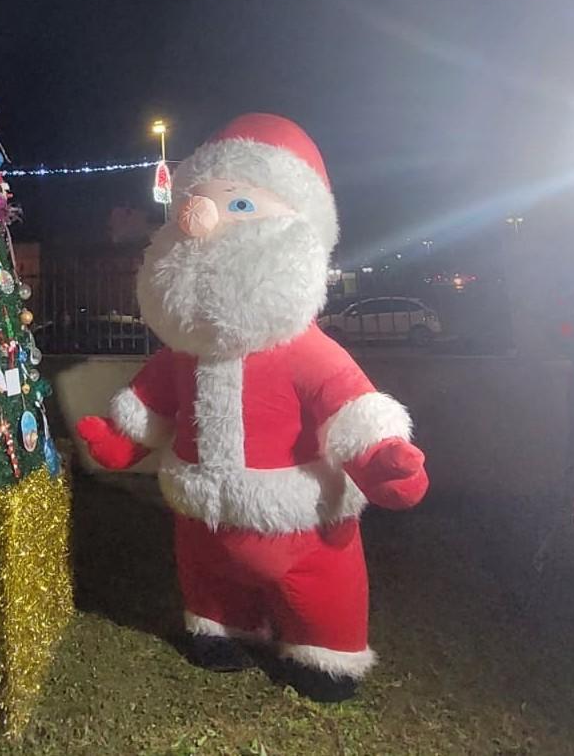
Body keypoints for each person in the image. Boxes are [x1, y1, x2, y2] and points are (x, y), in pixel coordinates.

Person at [76, 114, 429, 702]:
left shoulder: (308, 353)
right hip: (203, 514)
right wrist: (124, 440)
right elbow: (154, 402)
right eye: (194, 206)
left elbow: (350, 409)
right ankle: (218, 627)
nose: (200, 221)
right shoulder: (182, 353)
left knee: (320, 586)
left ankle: (325, 650)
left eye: (239, 206)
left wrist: (379, 459)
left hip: (302, 519)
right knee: (208, 579)